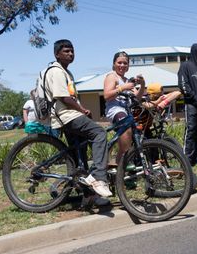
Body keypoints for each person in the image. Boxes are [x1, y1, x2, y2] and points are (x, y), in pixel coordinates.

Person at [45, 39, 111, 197]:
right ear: (57, 54)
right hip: (66, 116)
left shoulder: (66, 72)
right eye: (66, 51)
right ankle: (99, 177)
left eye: (72, 51)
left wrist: (82, 111)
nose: (70, 54)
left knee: (79, 152)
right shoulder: (57, 71)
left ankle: (85, 192)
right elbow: (64, 97)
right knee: (99, 133)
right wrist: (82, 109)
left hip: (68, 115)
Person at [103, 51, 145, 165]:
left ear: (128, 66)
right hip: (115, 110)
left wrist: (142, 85)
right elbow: (107, 95)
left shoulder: (127, 80)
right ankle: (120, 166)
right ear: (114, 64)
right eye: (119, 63)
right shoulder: (112, 76)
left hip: (126, 112)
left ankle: (121, 167)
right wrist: (123, 88)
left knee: (134, 137)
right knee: (127, 131)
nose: (122, 65)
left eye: (125, 63)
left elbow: (137, 99)